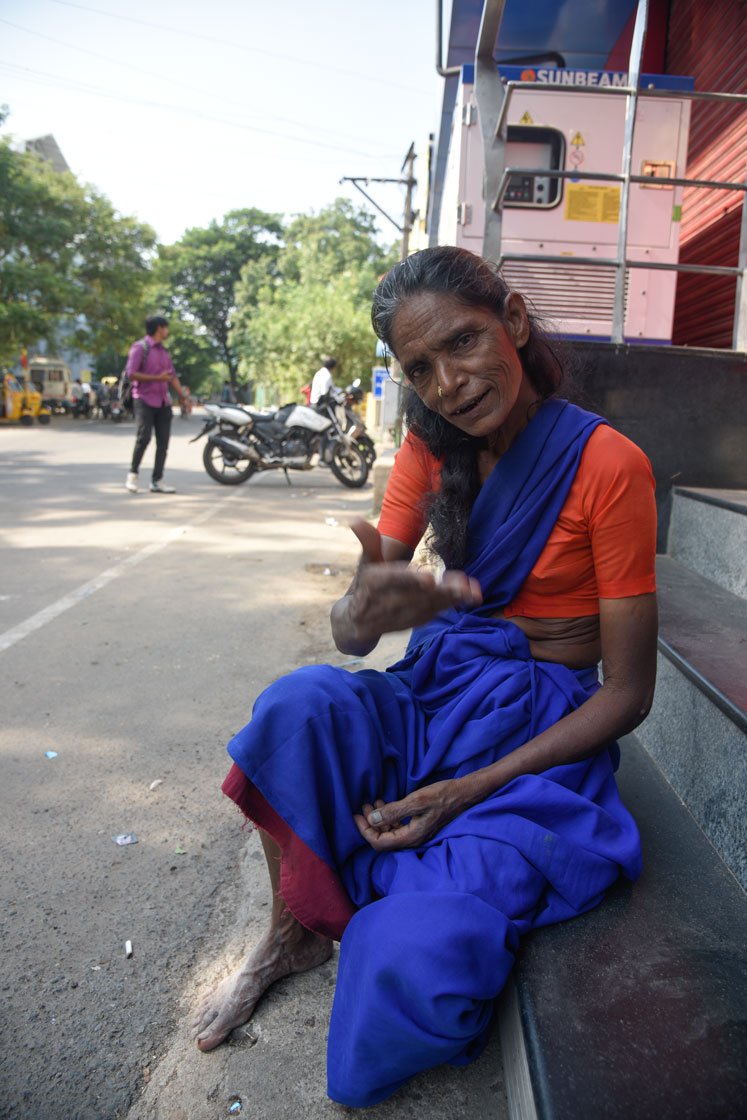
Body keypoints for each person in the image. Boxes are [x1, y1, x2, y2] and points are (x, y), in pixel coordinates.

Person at [192, 247, 657, 1107]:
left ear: (512, 323)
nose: (450, 382)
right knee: (296, 706)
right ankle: (289, 934)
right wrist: (360, 610)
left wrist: (467, 789)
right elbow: (353, 629)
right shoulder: (428, 449)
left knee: (412, 958)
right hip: (434, 694)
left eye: (465, 343)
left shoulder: (607, 466)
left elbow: (627, 694)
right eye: (421, 368)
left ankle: (409, 888)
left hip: (535, 735)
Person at [124, 315, 187, 494]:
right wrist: (157, 378)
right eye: (166, 328)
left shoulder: (164, 352)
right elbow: (131, 373)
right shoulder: (140, 348)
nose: (168, 331)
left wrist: (182, 396)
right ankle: (133, 475)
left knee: (163, 442)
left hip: (163, 401)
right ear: (160, 328)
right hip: (143, 399)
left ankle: (157, 480)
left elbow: (172, 376)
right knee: (143, 438)